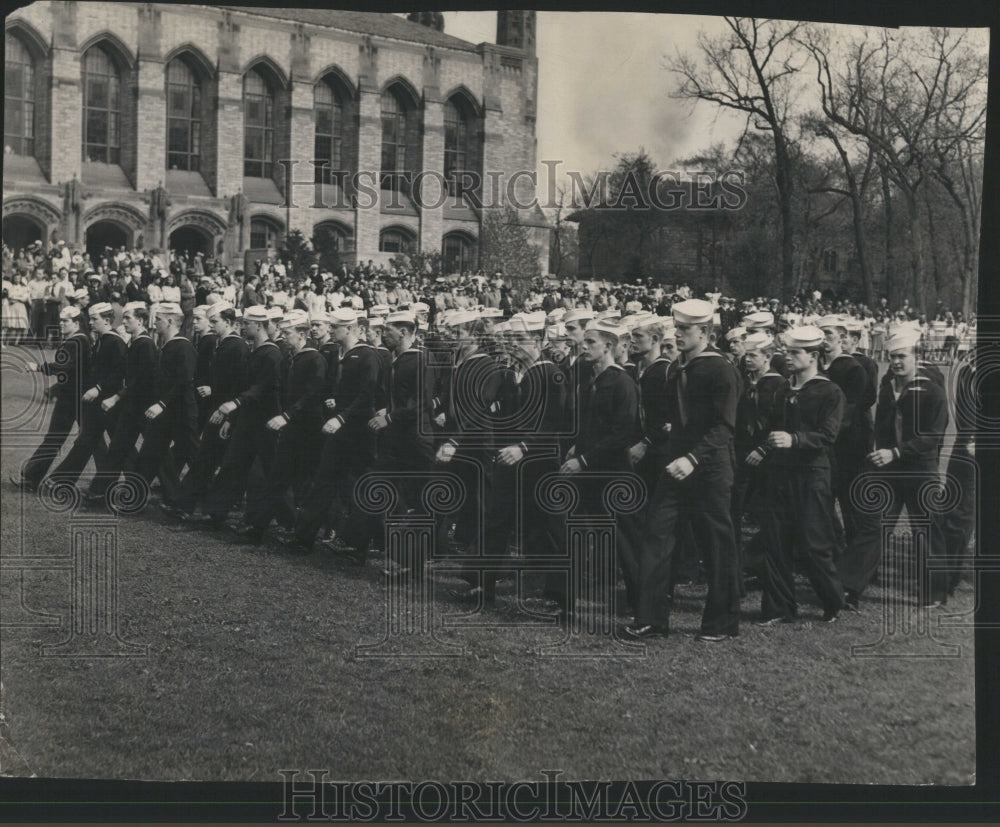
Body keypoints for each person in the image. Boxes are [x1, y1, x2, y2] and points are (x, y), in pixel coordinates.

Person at [627, 299, 742, 642]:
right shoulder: (678, 367)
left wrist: (692, 458)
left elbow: (724, 428)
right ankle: (651, 618)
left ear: (705, 332)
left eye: (685, 330)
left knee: (716, 547)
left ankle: (721, 623)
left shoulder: (721, 370)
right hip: (676, 468)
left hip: (709, 469)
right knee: (656, 536)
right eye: (676, 328)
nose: (677, 335)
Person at [837, 326, 950, 610]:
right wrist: (879, 452)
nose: (896, 362)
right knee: (874, 526)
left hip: (920, 470)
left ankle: (934, 591)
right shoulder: (888, 388)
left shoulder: (932, 390)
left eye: (902, 356)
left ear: (916, 356)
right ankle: (849, 587)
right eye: (892, 357)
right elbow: (884, 428)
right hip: (888, 469)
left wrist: (897, 452)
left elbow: (933, 437)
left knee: (925, 529)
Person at [747, 326, 846, 624]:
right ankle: (779, 608)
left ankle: (832, 602)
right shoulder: (782, 389)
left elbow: (828, 436)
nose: (787, 358)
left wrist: (795, 440)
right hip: (780, 475)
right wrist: (765, 448)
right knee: (776, 541)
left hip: (812, 475)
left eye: (795, 353)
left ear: (813, 356)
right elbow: (770, 430)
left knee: (813, 542)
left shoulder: (830, 391)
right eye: (787, 352)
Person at [46, 302, 127, 487]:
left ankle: (142, 480)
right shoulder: (102, 340)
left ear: (106, 320)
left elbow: (120, 372)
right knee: (87, 440)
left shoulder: (114, 341)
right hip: (100, 401)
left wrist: (99, 388)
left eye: (94, 319)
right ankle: (63, 479)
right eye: (90, 318)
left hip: (110, 402)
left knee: (122, 447)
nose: (90, 322)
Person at [11, 306, 92, 491]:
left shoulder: (77, 341)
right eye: (61, 320)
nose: (61, 324)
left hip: (73, 398)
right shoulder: (78, 339)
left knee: (58, 438)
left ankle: (32, 479)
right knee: (90, 440)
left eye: (66, 321)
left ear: (77, 323)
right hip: (76, 396)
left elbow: (66, 366)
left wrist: (38, 367)